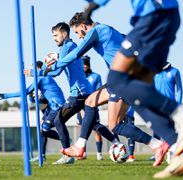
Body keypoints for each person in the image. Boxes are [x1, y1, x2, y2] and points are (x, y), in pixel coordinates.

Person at [82, 0, 183, 177]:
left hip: (153, 17)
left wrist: (94, 4)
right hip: (165, 17)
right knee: (137, 94)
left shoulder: (103, 30)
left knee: (117, 80)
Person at [46, 13, 169, 167]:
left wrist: (55, 63)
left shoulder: (95, 31)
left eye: (77, 32)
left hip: (125, 79)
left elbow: (78, 53)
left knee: (115, 125)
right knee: (90, 102)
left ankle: (158, 145)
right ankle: (80, 146)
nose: (78, 36)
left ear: (84, 26)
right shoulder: (108, 29)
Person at [25, 22, 119, 163]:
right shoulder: (72, 46)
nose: (54, 39)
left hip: (78, 92)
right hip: (85, 90)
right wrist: (52, 62)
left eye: (56, 35)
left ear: (64, 33)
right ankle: (117, 143)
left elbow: (56, 72)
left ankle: (68, 155)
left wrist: (34, 72)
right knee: (94, 124)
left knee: (58, 120)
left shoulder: (66, 47)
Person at [0, 61, 74, 164]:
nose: (31, 71)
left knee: (44, 129)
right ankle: (42, 156)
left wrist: (6, 96)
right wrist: (32, 97)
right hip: (51, 108)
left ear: (39, 69)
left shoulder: (42, 78)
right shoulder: (43, 79)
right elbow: (37, 99)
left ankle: (66, 143)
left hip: (57, 107)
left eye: (33, 68)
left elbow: (26, 91)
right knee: (42, 131)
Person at [76, 55, 104, 160]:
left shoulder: (96, 76)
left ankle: (99, 154)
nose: (84, 66)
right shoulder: (79, 76)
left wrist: (95, 104)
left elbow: (99, 91)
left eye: (85, 64)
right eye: (82, 64)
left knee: (96, 129)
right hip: (80, 107)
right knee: (82, 130)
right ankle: (83, 153)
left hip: (92, 106)